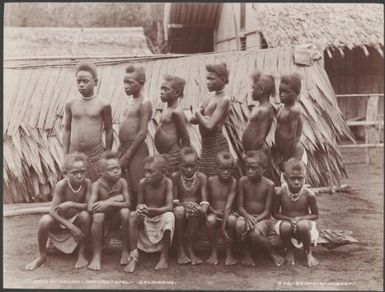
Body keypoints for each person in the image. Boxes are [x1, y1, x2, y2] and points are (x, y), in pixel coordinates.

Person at [25, 153, 91, 271]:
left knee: (86, 216)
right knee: (44, 221)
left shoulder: (87, 183)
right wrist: (70, 227)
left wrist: (71, 204)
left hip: (76, 220)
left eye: (83, 171)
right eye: (75, 172)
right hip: (60, 222)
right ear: (65, 173)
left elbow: (89, 206)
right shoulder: (62, 185)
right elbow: (53, 211)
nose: (80, 176)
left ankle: (82, 254)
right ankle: (42, 256)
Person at [63, 62, 113, 181]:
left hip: (96, 154)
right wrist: (65, 155)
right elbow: (67, 130)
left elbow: (109, 130)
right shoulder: (71, 104)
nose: (81, 84)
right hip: (74, 153)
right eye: (78, 81)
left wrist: (108, 154)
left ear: (96, 82)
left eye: (85, 81)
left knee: (96, 187)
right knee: (76, 187)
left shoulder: (104, 104)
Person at [125, 155, 175, 272]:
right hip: (147, 219)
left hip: (160, 218)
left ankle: (164, 256)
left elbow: (169, 207)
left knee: (170, 216)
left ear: (163, 172)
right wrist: (140, 208)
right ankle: (134, 256)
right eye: (145, 171)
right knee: (132, 215)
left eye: (150, 172)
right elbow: (139, 204)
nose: (146, 175)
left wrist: (155, 211)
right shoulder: (143, 183)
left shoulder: (168, 183)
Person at [236, 151, 285, 267]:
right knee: (239, 225)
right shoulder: (242, 182)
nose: (249, 171)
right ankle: (246, 253)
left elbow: (268, 212)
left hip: (263, 219)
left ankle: (272, 253)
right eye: (247, 168)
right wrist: (247, 217)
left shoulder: (269, 185)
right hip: (245, 216)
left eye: (253, 168)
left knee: (254, 233)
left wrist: (254, 221)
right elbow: (240, 207)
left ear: (263, 169)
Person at [87, 152, 131, 271]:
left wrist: (109, 201)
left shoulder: (122, 182)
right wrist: (118, 198)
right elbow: (90, 207)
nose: (116, 171)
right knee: (98, 216)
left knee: (126, 212)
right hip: (103, 221)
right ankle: (96, 255)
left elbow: (128, 203)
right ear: (101, 172)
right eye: (111, 169)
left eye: (118, 168)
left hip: (116, 218)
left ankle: (125, 249)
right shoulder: (96, 185)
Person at [272, 158, 319, 267]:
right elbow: (274, 213)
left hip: (304, 225)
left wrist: (301, 218)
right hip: (287, 223)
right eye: (292, 179)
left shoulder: (309, 194)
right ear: (285, 178)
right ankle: (289, 251)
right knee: (285, 226)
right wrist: (289, 219)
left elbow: (316, 215)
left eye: (300, 178)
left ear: (304, 178)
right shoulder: (280, 193)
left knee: (301, 225)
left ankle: (308, 252)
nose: (296, 182)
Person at [119, 65, 152, 209]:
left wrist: (127, 155)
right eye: (124, 82)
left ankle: (140, 222)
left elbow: (142, 132)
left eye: (130, 83)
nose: (126, 86)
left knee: (138, 186)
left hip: (136, 149)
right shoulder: (130, 100)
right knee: (126, 186)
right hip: (125, 147)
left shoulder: (145, 103)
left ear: (142, 83)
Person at [190, 63, 231, 177]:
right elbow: (192, 120)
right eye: (207, 78)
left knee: (217, 178)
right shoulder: (208, 97)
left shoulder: (224, 99)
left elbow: (209, 126)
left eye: (211, 78)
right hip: (206, 144)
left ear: (222, 80)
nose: (207, 81)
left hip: (217, 143)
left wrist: (198, 112)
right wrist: (201, 116)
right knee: (204, 178)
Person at [172, 147, 209, 265]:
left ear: (197, 164)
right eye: (185, 166)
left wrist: (200, 210)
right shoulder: (175, 177)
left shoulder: (202, 178)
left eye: (192, 166)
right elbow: (174, 201)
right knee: (179, 210)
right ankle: (180, 249)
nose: (188, 169)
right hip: (181, 213)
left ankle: (190, 249)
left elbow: (204, 202)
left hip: (197, 214)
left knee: (194, 211)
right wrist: (185, 205)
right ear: (179, 165)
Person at [206, 151, 238, 266]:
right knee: (210, 220)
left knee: (232, 220)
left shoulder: (234, 182)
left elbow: (229, 205)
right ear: (216, 168)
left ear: (233, 168)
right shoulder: (210, 181)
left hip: (228, 214)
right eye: (222, 169)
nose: (226, 172)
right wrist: (214, 211)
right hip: (214, 213)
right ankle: (213, 250)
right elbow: (205, 201)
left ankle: (229, 252)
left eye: (229, 169)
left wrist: (223, 228)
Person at [154, 75, 190, 174]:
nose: (161, 92)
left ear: (177, 92)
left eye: (166, 89)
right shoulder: (167, 108)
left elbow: (185, 138)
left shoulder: (177, 112)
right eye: (161, 88)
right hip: (164, 155)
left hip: (173, 156)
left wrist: (183, 158)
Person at [274, 73, 306, 176]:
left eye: (287, 92)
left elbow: (293, 137)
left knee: (293, 178)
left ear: (297, 93)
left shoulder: (294, 110)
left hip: (293, 151)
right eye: (280, 91)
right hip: (284, 152)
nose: (282, 94)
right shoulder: (281, 108)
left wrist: (285, 159)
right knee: (285, 180)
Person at [242, 72, 275, 152]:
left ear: (261, 90)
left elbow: (260, 138)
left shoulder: (265, 110)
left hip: (255, 153)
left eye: (253, 88)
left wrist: (250, 154)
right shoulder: (259, 107)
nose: (251, 91)